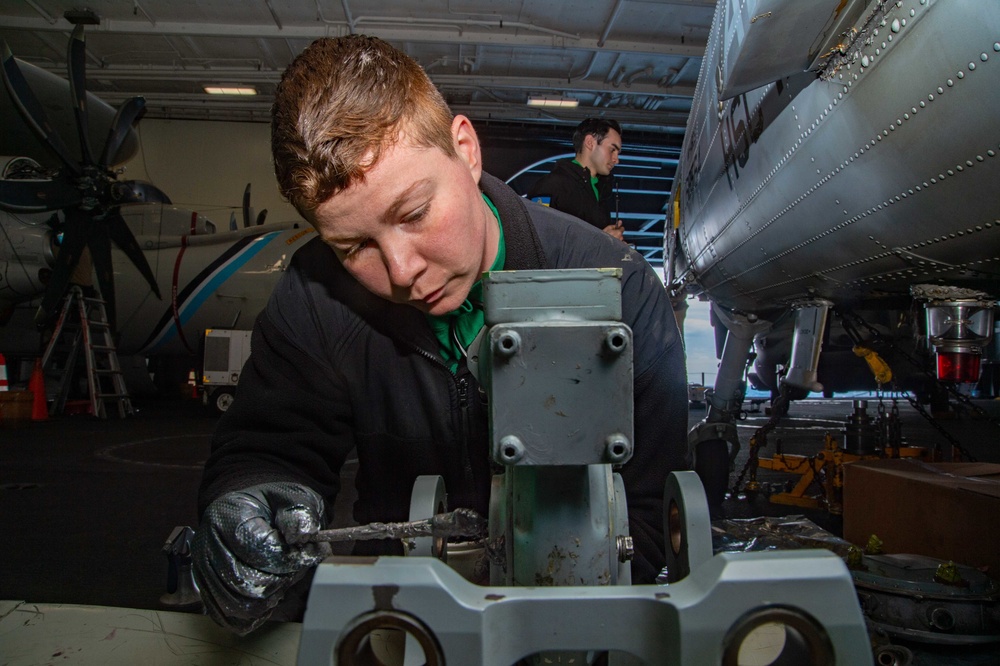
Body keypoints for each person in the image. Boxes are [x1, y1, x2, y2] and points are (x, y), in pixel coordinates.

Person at [192, 34, 689, 635]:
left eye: (414, 213)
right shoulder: (315, 297)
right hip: (401, 625)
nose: (401, 272)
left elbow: (653, 518)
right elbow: (271, 446)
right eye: (354, 247)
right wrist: (253, 503)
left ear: (465, 149)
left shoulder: (622, 292)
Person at [527, 118, 625, 240]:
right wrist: (601, 242)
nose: (616, 159)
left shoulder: (602, 192)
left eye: (618, 152)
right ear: (590, 142)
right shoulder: (551, 185)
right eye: (612, 150)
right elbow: (538, 241)